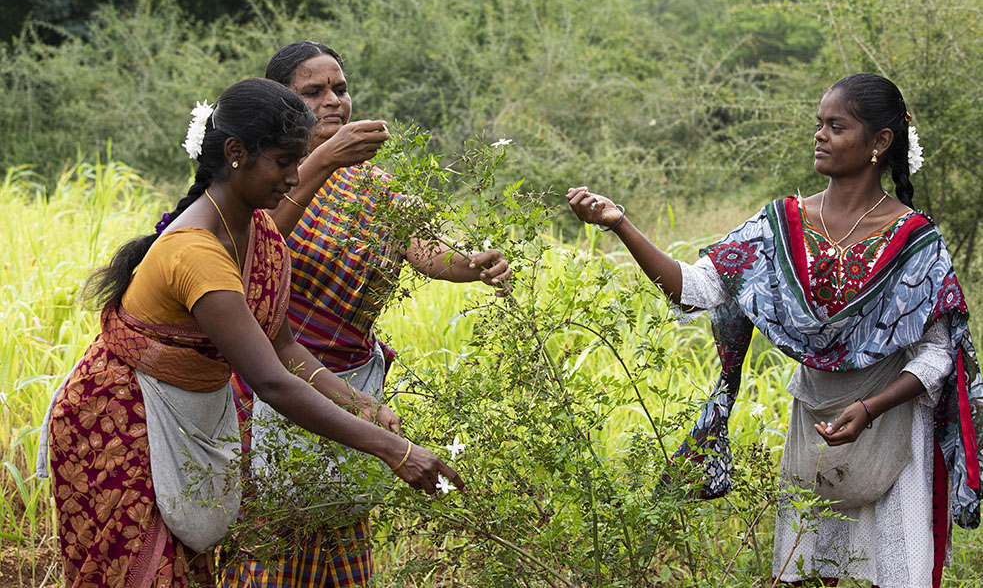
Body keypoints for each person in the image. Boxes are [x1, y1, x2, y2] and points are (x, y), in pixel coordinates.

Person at [44, 78, 462, 588]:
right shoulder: (196, 253)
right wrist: (394, 450)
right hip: (119, 425)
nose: (294, 178)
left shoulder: (261, 235)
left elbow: (284, 347)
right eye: (285, 162)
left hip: (183, 421)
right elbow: (270, 381)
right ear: (236, 153)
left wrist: (361, 403)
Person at [567, 73, 981, 587]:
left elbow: (938, 354)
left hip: (894, 432)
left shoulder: (916, 242)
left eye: (837, 126)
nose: (820, 135)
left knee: (898, 573)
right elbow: (694, 288)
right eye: (818, 124)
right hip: (815, 422)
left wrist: (870, 408)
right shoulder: (779, 225)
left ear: (880, 142)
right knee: (804, 572)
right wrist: (620, 223)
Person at [215, 41, 512, 586]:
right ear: (281, 104)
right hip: (274, 382)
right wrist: (322, 157)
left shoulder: (370, 185)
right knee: (273, 530)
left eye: (341, 89)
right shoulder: (265, 180)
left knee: (340, 528)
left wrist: (475, 264)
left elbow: (423, 248)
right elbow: (259, 241)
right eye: (313, 92)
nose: (334, 101)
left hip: (353, 387)